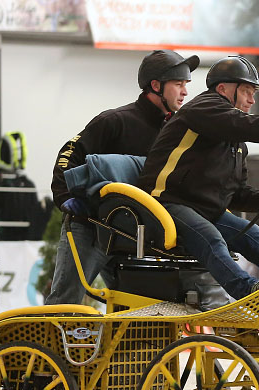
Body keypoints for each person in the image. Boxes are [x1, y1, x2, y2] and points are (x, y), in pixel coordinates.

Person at [136, 55, 259, 299]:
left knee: (253, 236)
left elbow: (235, 195)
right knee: (212, 238)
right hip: (165, 204)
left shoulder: (234, 142)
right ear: (223, 89)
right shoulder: (202, 109)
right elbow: (245, 124)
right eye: (246, 91)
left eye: (253, 93)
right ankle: (248, 290)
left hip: (205, 210)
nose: (252, 100)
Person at [46, 49, 199, 305]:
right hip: (92, 226)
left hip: (133, 235)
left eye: (186, 85)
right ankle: (47, 344)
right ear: (155, 85)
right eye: (178, 84)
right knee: (66, 300)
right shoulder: (115, 121)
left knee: (137, 307)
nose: (185, 92)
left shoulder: (173, 131)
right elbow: (68, 154)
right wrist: (65, 198)